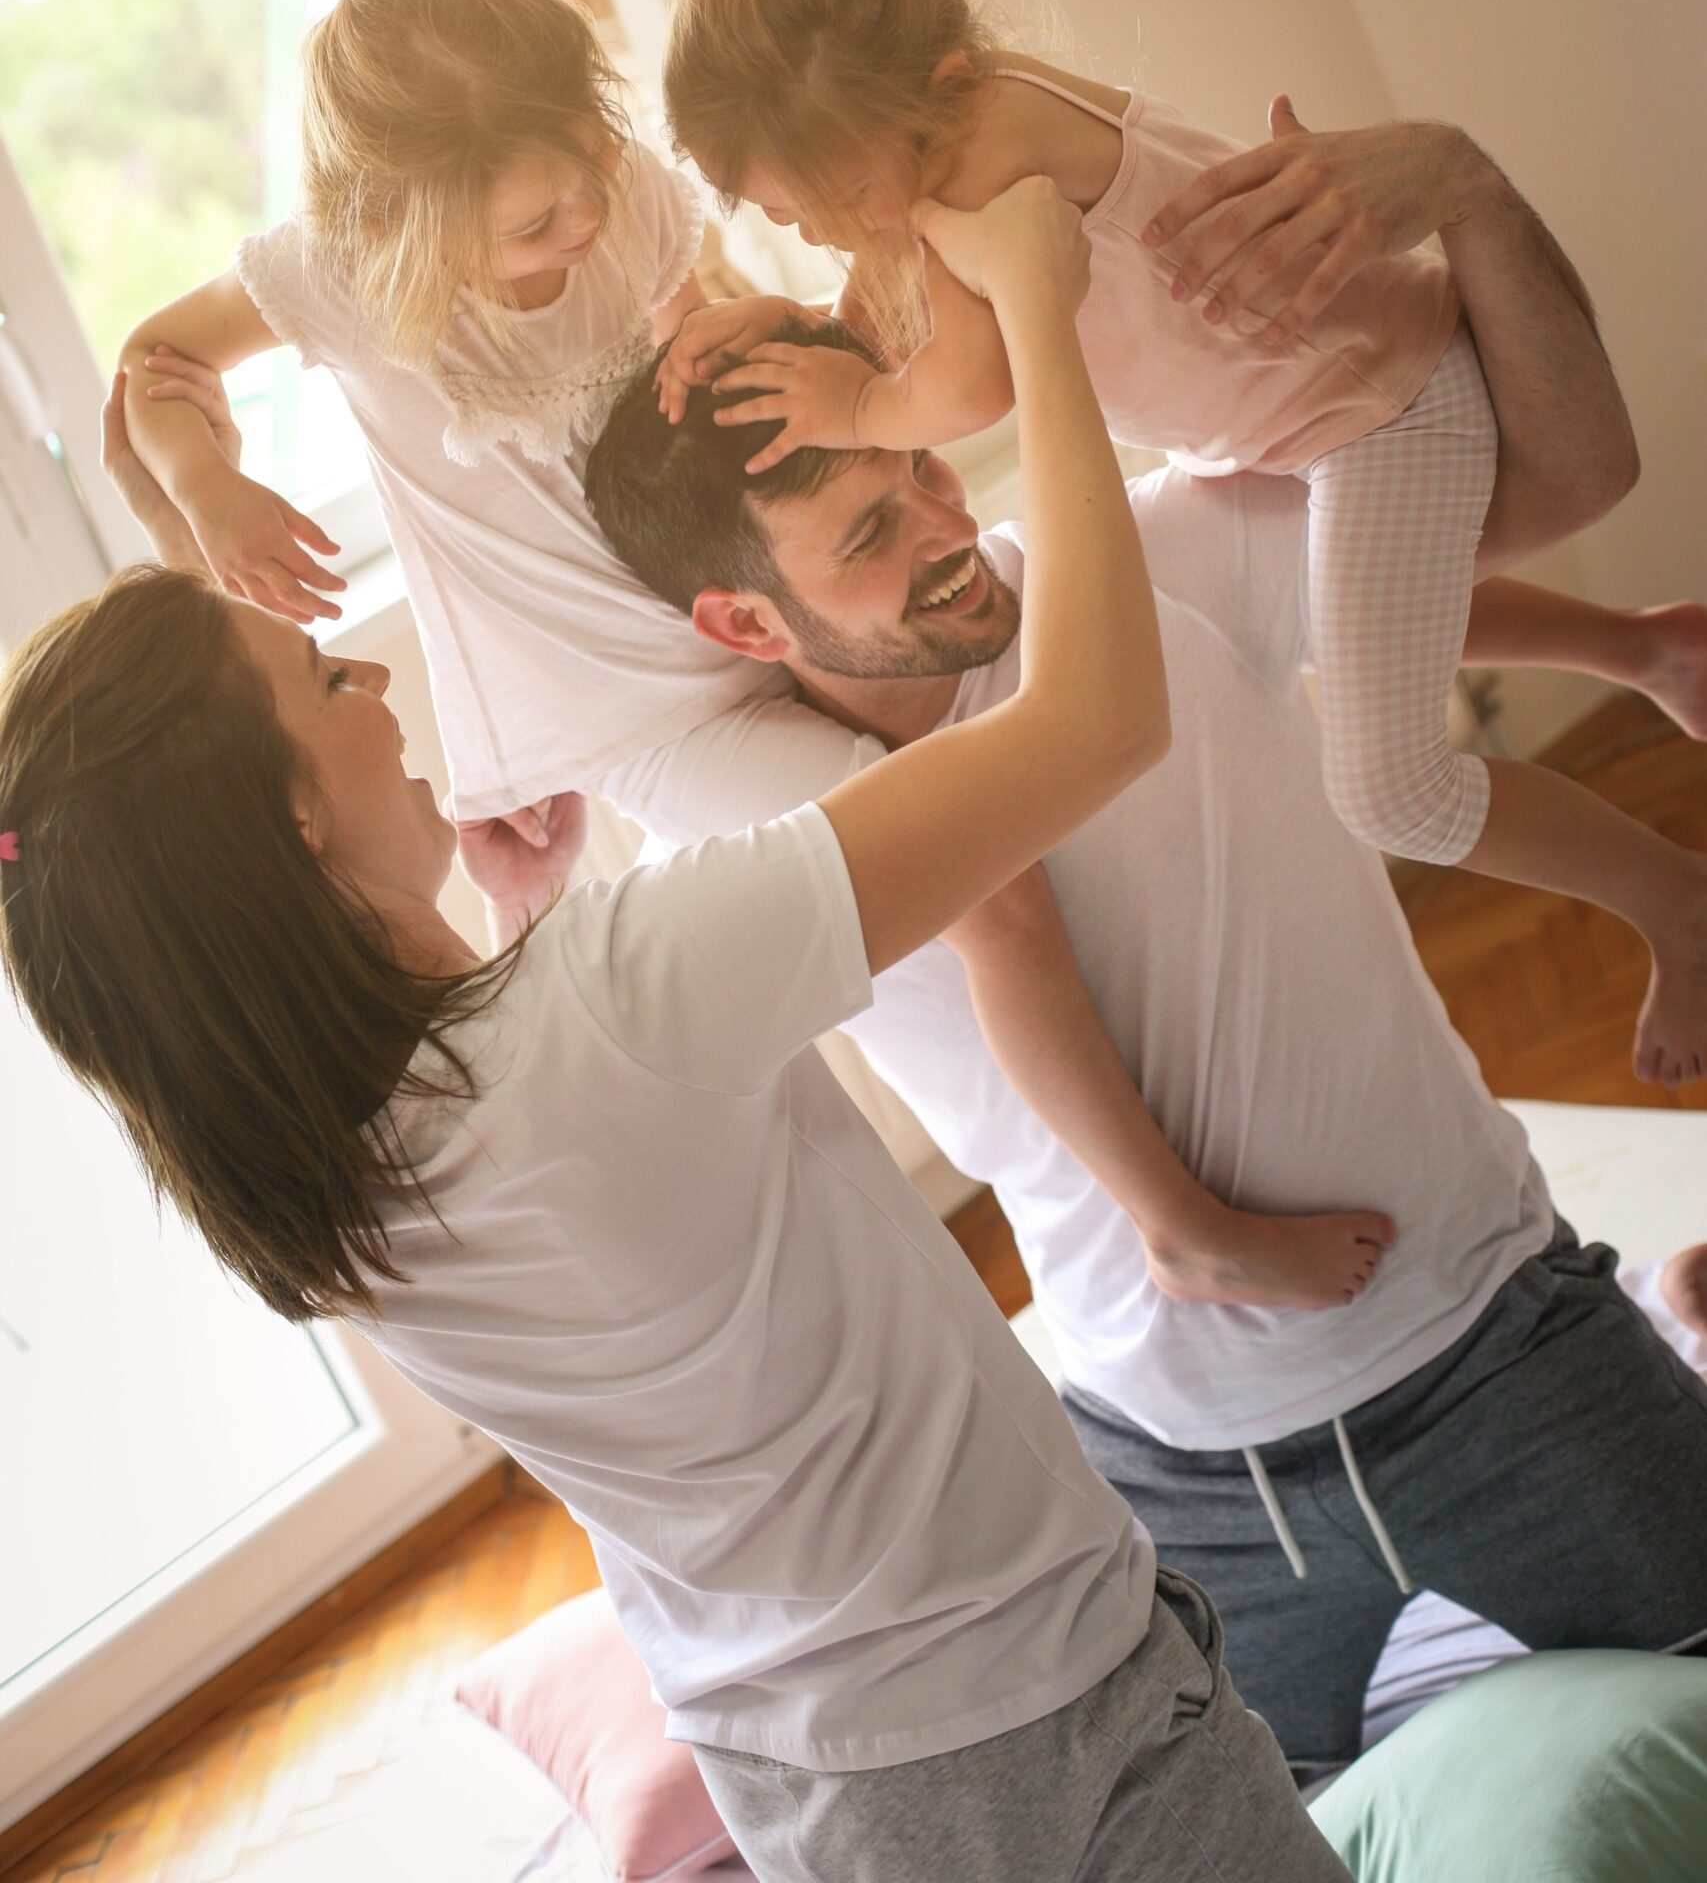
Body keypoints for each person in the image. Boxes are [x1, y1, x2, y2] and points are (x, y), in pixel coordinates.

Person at [2, 185, 1354, 1883]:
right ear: (289, 824)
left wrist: (510, 923)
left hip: (810, 1780)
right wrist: (1034, 327)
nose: (374, 683)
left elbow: (585, 1198)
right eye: (321, 681)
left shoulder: (304, 1166)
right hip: (1035, 1707)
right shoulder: (622, 999)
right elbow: (1094, 720)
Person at [582, 174, 1707, 1781]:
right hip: (1179, 1471)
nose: (942, 523)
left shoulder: (1143, 565)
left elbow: (1415, 551)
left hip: (1489, 1345)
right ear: (737, 619)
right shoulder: (747, 816)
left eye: (917, 463)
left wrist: (1625, 647)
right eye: (866, 531)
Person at [121, 0, 1319, 1316]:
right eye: (531, 223)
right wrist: (208, 487)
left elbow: (688, 305)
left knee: (1043, 748)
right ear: (407, 223)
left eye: (586, 167)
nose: (581, 218)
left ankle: (1203, 1103)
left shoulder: (619, 201)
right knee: (990, 890)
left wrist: (724, 318)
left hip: (750, 617)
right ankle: (1173, 1221)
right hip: (646, 723)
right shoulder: (334, 278)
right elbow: (158, 364)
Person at [656, 0, 1706, 1177]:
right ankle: (1650, 650)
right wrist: (789, 309)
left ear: (926, 92)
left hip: (1376, 410)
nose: (827, 234)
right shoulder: (952, 134)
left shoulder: (982, 158)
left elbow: (974, 377)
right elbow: (911, 288)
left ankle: (1674, 898)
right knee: (1325, 596)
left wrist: (860, 404)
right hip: (1295, 426)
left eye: (833, 201)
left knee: (1391, 790)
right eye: (793, 219)